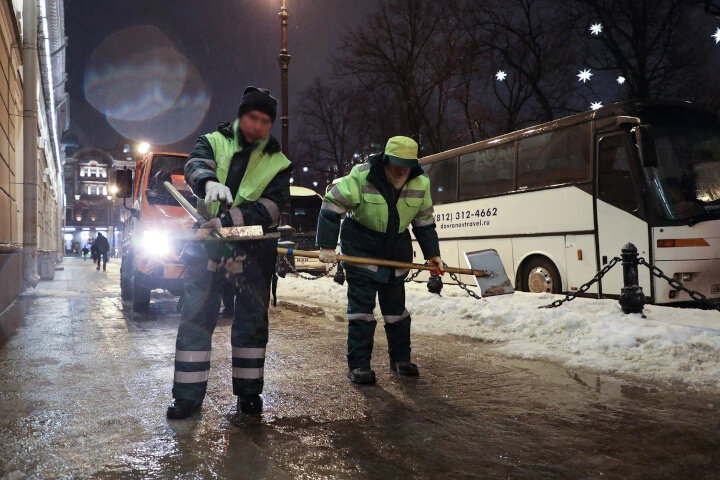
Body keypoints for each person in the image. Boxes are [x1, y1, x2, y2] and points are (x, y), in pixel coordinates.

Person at [167, 86, 292, 419]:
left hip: (252, 251)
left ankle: (249, 395)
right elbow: (195, 165)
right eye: (253, 117)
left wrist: (226, 221)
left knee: (251, 324)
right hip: (208, 249)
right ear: (241, 116)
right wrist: (207, 182)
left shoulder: (278, 163)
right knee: (196, 318)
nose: (258, 125)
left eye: (265, 121)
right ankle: (187, 397)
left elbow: (272, 208)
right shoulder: (213, 142)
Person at [316, 136, 443, 384]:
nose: (401, 171)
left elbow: (424, 222)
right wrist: (327, 246)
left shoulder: (421, 182)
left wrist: (433, 254)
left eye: (406, 166)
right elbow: (331, 205)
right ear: (386, 160)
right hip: (361, 250)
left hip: (395, 253)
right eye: (396, 164)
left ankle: (401, 359)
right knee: (362, 313)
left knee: (396, 313)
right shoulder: (362, 175)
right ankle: (360, 365)